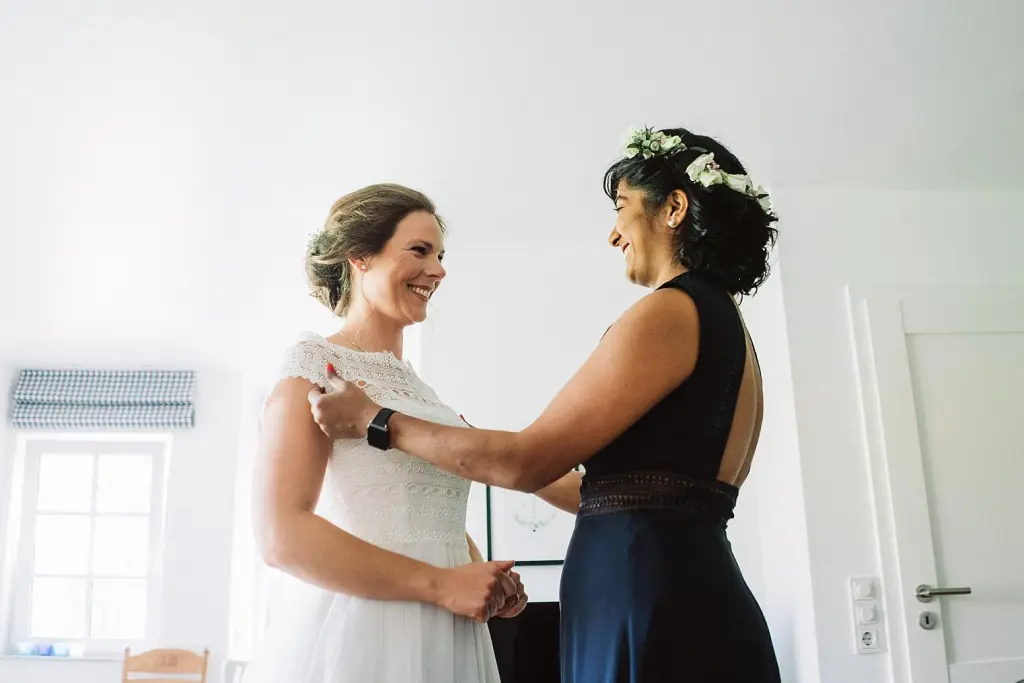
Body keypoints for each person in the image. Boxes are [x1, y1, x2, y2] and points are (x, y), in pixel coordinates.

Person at [307, 128, 783, 682]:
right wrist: (469, 445)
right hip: (681, 586)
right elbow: (610, 494)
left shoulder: (669, 313)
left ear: (674, 207)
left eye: (622, 207)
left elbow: (524, 460)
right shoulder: (727, 325)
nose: (613, 234)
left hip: (647, 600)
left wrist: (375, 419)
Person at [243, 184, 527, 683]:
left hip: (447, 630)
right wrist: (442, 584)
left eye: (440, 255)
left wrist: (481, 574)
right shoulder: (315, 368)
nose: (438, 270)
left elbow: (413, 506)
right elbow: (280, 535)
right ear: (360, 257)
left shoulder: (421, 392)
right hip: (367, 630)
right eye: (419, 251)